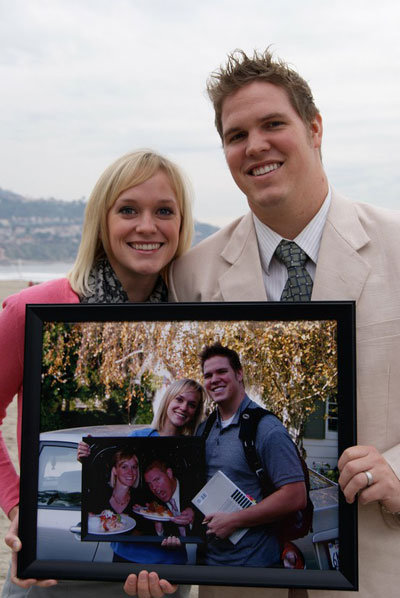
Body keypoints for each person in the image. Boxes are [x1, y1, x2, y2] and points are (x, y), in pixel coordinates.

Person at [166, 49, 400, 598]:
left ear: (314, 128)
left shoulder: (399, 248)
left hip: (379, 563)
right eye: (236, 134)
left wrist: (397, 467)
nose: (255, 146)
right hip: (238, 580)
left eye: (274, 124)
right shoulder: (193, 273)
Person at [0, 148, 194, 598]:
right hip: (53, 573)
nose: (147, 225)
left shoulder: (191, 319)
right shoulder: (31, 310)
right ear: (100, 220)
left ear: (181, 224)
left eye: (164, 210)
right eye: (128, 209)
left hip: (159, 570)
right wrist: (15, 504)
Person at [196, 343, 305, 567]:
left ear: (239, 373)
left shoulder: (267, 429)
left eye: (222, 371)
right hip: (208, 564)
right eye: (208, 375)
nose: (214, 379)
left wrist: (234, 520)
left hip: (254, 566)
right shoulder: (204, 428)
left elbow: (296, 495)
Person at [78, 378, 205, 567]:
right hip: (127, 555)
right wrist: (87, 455)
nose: (184, 407)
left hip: (170, 559)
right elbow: (114, 494)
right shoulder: (137, 439)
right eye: (179, 399)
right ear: (168, 400)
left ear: (196, 412)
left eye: (191, 404)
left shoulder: (193, 452)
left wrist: (186, 527)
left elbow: (199, 501)